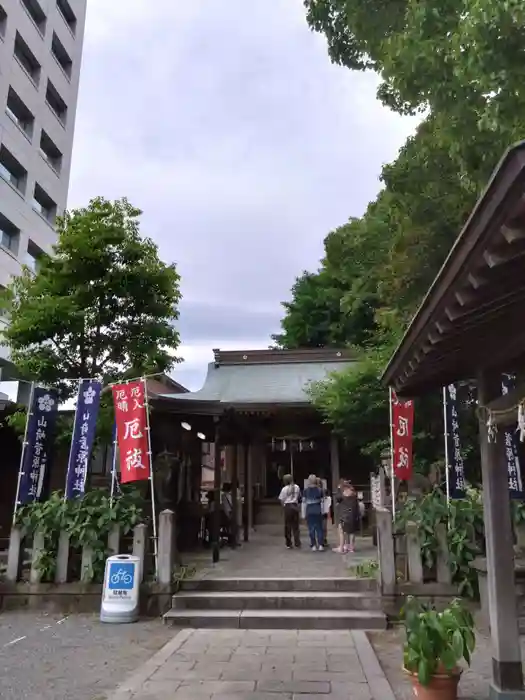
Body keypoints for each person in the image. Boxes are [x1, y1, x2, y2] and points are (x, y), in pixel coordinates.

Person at [333, 481, 360, 553]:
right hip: (353, 516)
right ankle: (351, 547)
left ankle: (341, 548)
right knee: (352, 532)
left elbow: (337, 498)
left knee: (341, 532)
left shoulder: (343, 494)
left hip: (344, 516)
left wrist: (339, 489)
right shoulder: (354, 494)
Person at [278, 474, 301, 549]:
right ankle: (297, 542)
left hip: (288, 506)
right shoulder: (297, 487)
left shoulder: (284, 489)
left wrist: (283, 506)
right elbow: (299, 497)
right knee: (296, 526)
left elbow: (281, 499)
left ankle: (289, 543)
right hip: (295, 505)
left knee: (288, 526)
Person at [302, 474, 324, 551]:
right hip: (318, 510)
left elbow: (304, 503)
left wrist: (303, 514)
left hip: (309, 510)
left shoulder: (305, 491)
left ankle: (313, 545)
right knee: (319, 529)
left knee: (311, 529)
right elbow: (322, 502)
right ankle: (321, 545)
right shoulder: (320, 490)